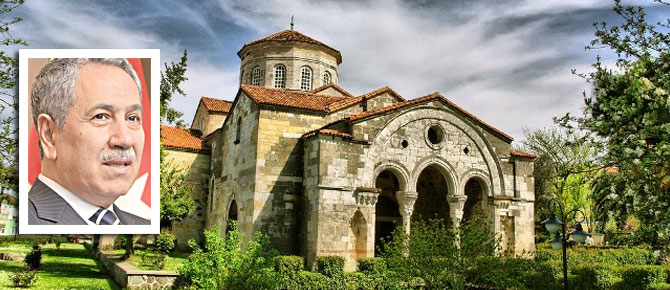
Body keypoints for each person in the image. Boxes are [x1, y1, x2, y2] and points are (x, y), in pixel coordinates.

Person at [28, 58, 149, 225]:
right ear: (49, 135)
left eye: (132, 118)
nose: (125, 139)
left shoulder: (142, 225)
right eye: (100, 116)